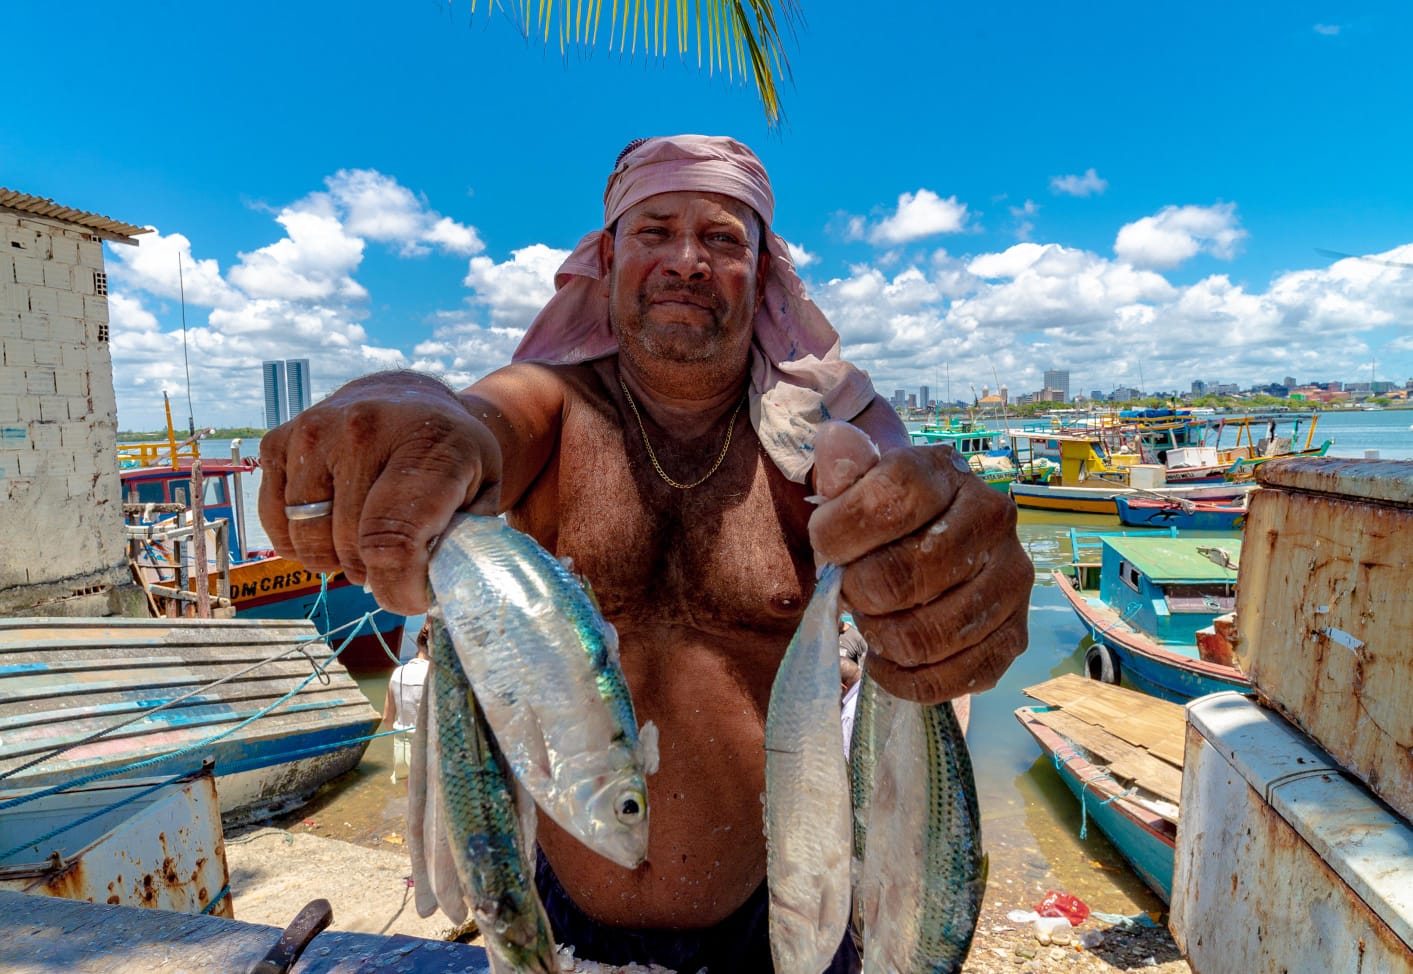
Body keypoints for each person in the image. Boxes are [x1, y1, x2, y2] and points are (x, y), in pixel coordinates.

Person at [259, 134, 1031, 972]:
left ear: (763, 275)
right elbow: (471, 424)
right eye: (655, 230)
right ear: (607, 259)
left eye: (724, 239)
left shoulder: (817, 442)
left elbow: (901, 504)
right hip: (553, 909)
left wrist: (951, 570)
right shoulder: (554, 407)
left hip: (786, 917)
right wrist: (394, 403)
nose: (687, 260)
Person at [382, 620, 430, 785]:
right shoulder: (437, 677)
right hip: (429, 750)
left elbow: (387, 719)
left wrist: (401, 738)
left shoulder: (398, 673)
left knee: (412, 804)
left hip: (403, 749)